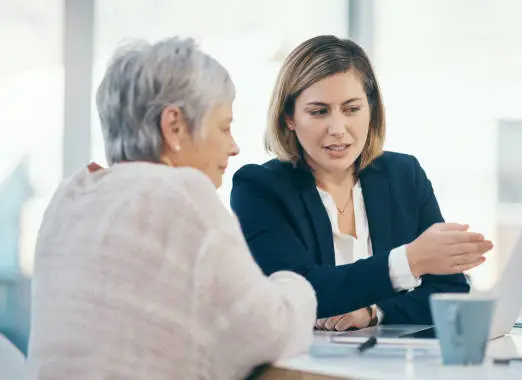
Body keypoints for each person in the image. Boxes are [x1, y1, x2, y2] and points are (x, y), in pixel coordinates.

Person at [25, 37, 316, 380]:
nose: (234, 147)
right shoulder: (181, 194)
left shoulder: (71, 196)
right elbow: (269, 332)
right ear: (174, 126)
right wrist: (294, 284)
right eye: (224, 127)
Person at [230, 35, 493, 331]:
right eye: (319, 111)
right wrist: (408, 261)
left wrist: (373, 312)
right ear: (289, 117)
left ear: (371, 110)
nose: (338, 129)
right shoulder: (258, 188)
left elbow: (449, 290)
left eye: (352, 109)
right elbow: (299, 292)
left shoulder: (404, 174)